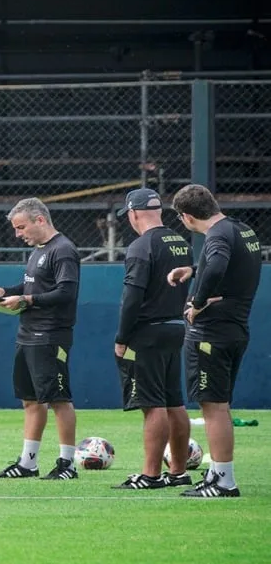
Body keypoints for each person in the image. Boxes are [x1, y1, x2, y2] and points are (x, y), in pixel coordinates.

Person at [168, 184, 262, 498]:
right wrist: (194, 269)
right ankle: (217, 475)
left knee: (214, 408)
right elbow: (234, 265)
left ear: (186, 217)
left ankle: (223, 481)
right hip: (235, 329)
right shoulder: (242, 229)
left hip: (213, 333)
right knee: (219, 406)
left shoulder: (218, 235)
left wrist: (197, 301)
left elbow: (220, 264)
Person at [0, 197, 83, 481]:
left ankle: (67, 464)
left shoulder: (63, 250)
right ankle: (27, 463)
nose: (19, 234)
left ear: (40, 220)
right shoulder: (40, 250)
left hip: (50, 335)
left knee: (58, 399)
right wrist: (5, 291)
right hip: (27, 333)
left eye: (21, 227)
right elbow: (33, 285)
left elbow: (66, 292)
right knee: (31, 401)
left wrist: (25, 298)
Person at [110, 189, 195, 490]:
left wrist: (122, 338)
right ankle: (178, 472)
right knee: (175, 402)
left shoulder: (141, 245)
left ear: (133, 214)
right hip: (175, 329)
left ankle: (150, 475)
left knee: (152, 404)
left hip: (147, 333)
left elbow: (132, 297)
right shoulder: (180, 242)